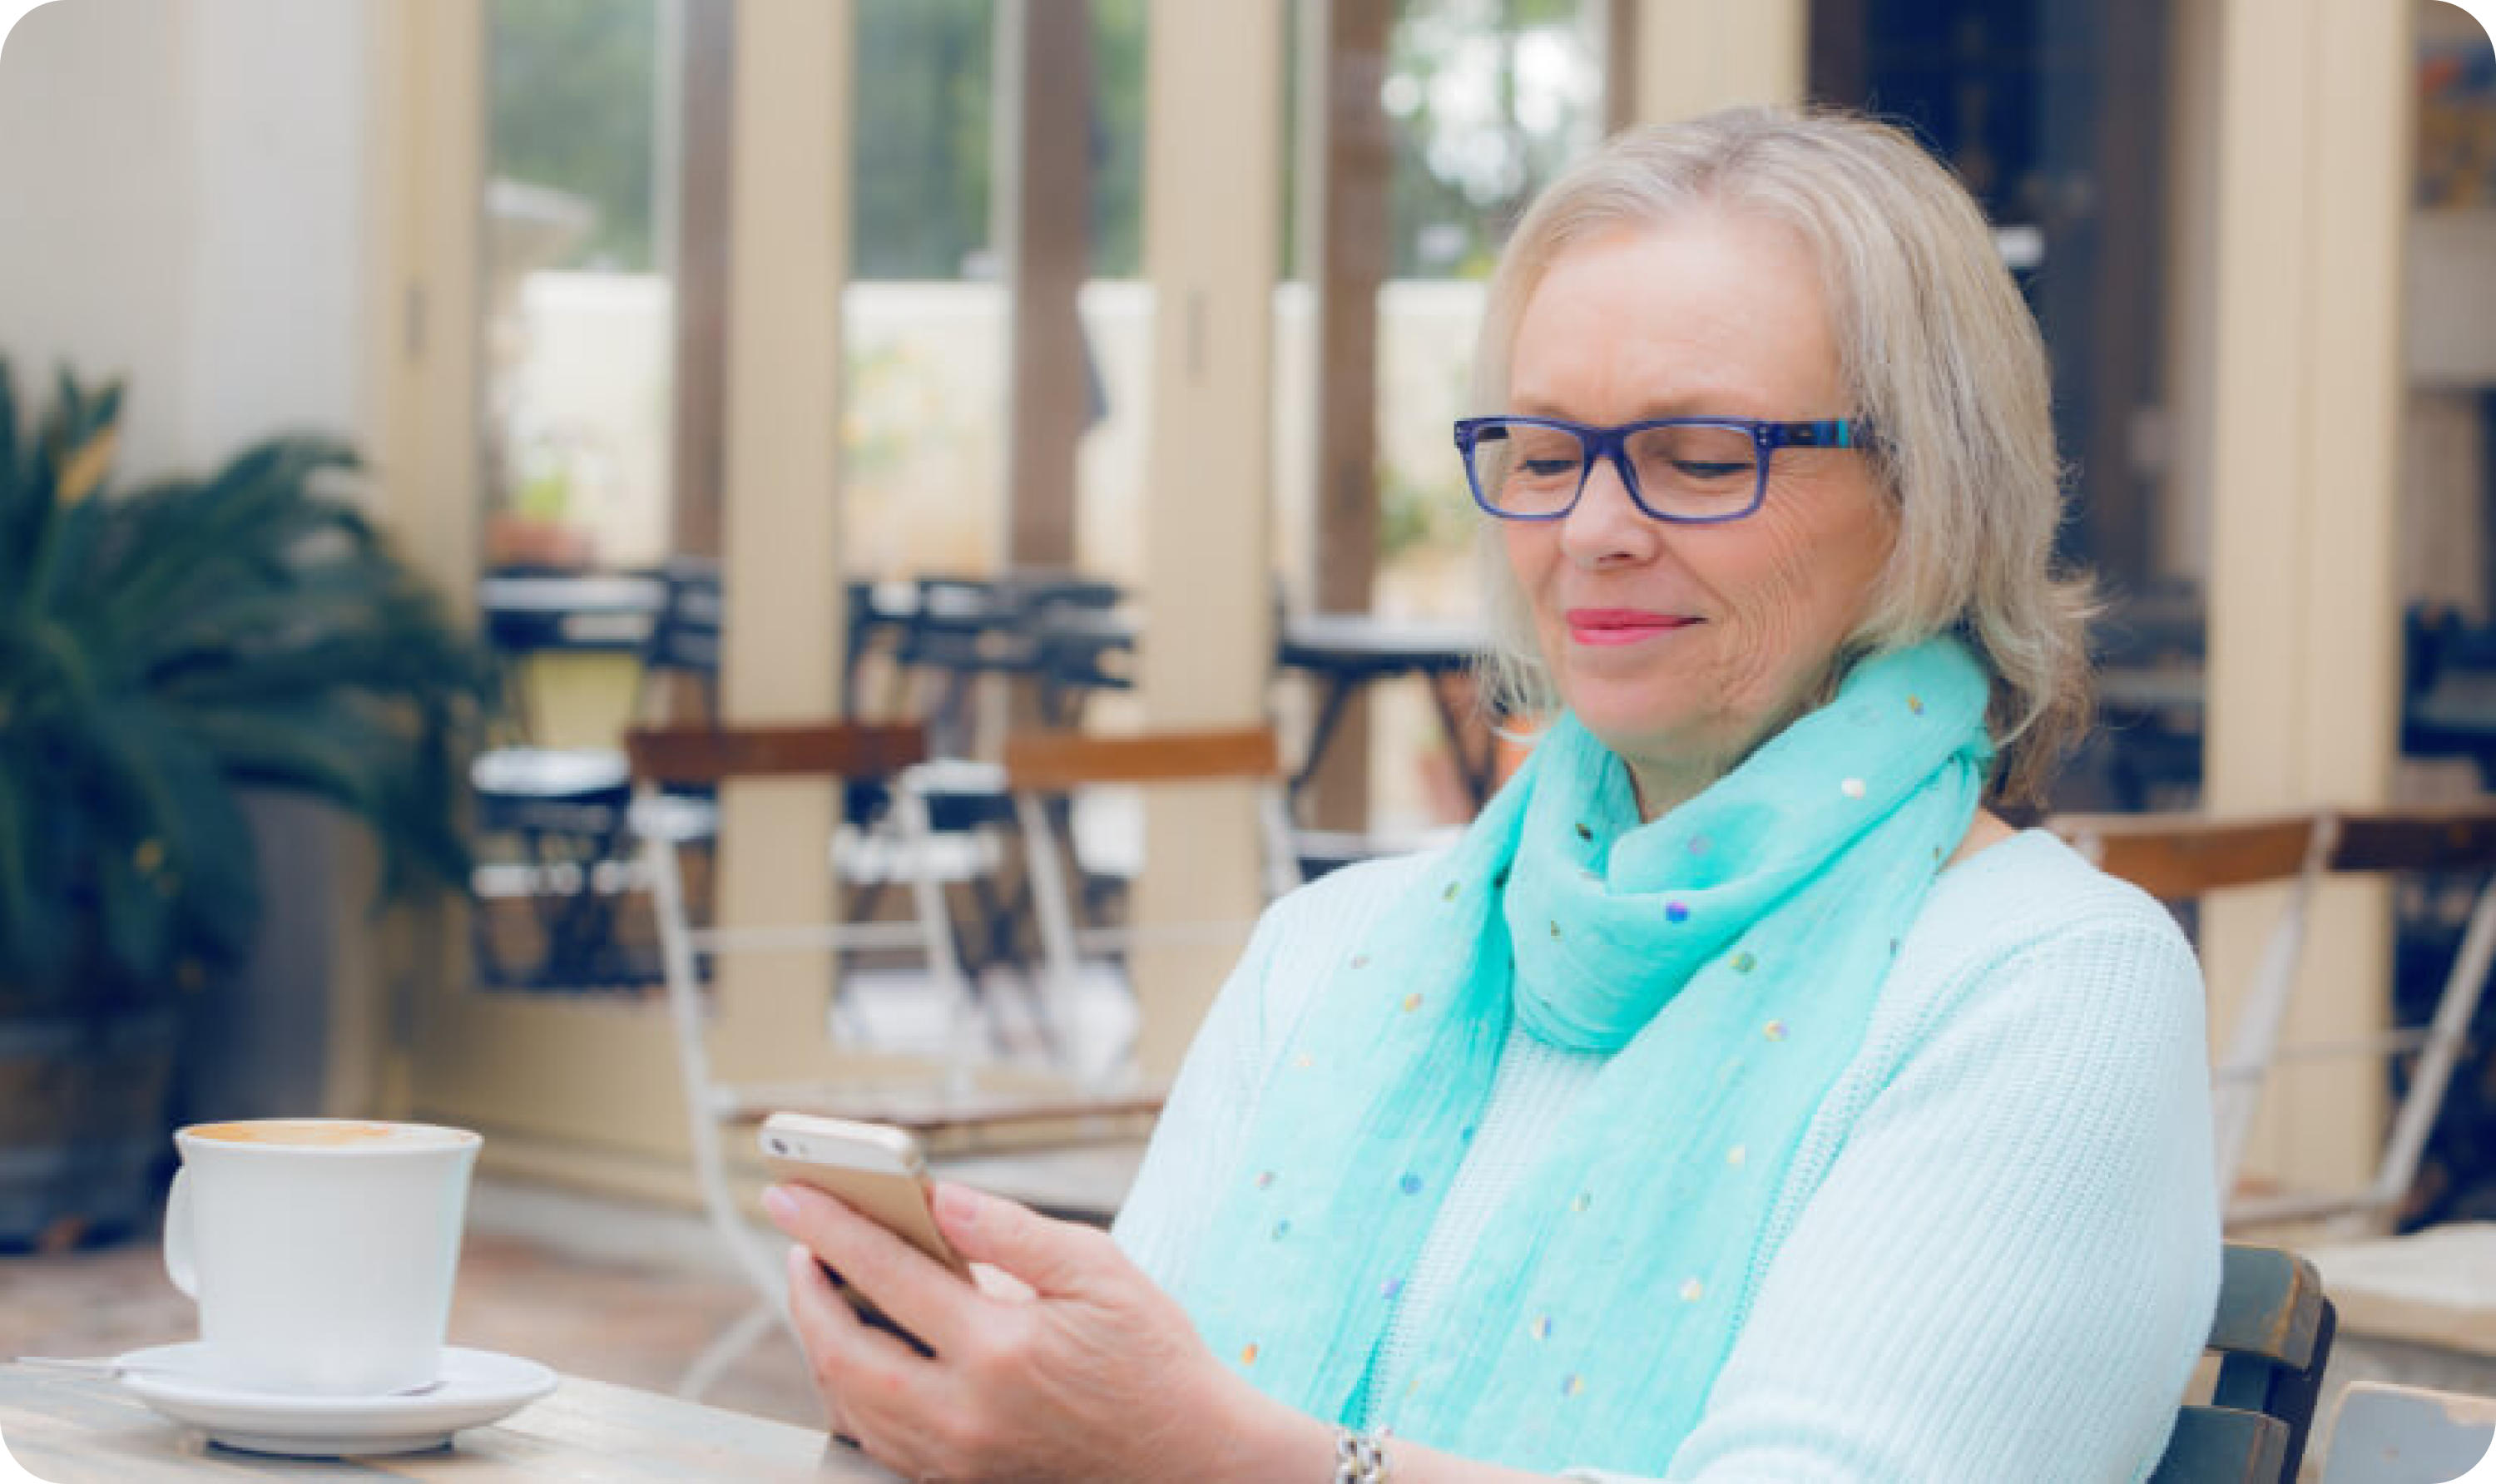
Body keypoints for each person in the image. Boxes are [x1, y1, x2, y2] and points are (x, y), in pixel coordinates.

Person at [761, 105, 2220, 1482]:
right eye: (1541, 452)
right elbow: (1131, 1417)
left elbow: (1179, 1438)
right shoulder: (1331, 955)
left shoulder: (2045, 989)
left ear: (1932, 489)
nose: (1591, 529)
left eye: (1700, 457)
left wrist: (1218, 1458)